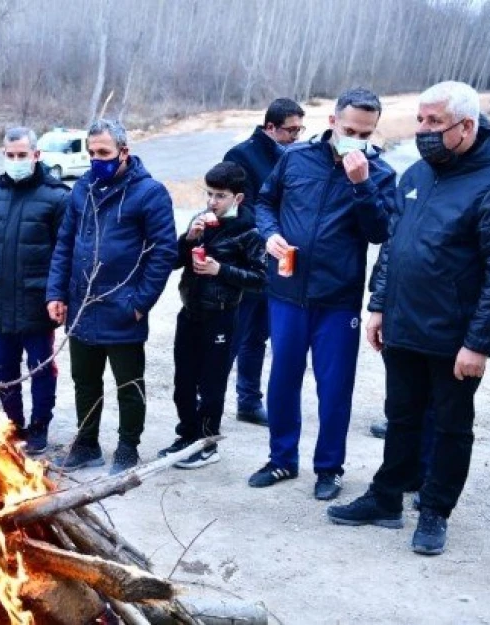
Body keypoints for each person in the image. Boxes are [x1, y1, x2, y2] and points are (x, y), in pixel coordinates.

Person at [328, 81, 490, 555]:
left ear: (467, 126)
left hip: (455, 336)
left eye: (434, 122)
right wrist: (379, 306)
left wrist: (480, 343)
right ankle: (386, 498)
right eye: (420, 120)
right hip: (404, 325)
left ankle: (435, 508)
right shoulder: (417, 173)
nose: (424, 130)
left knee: (450, 425)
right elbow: (394, 246)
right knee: (401, 416)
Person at [250, 87, 397, 500]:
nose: (356, 138)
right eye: (350, 128)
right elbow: (265, 202)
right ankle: (281, 459)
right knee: (282, 379)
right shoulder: (294, 159)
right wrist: (270, 234)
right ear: (332, 122)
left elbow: (379, 232)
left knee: (334, 388)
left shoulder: (380, 173)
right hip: (286, 291)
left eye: (365, 133)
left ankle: (329, 468)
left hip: (337, 298)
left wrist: (362, 185)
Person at [46, 118, 178, 475]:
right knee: (85, 381)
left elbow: (164, 252)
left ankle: (127, 448)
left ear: (124, 152)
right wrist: (56, 292)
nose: (96, 159)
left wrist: (139, 303)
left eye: (103, 152)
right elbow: (65, 243)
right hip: (82, 305)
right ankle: (87, 443)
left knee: (128, 384)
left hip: (123, 306)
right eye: (91, 153)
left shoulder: (149, 193)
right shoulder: (83, 188)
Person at [157, 162, 266, 468]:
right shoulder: (200, 220)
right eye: (209, 194)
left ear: (237, 198)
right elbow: (175, 262)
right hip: (190, 310)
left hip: (221, 315)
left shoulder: (249, 230)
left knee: (211, 382)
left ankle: (207, 441)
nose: (212, 202)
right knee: (183, 380)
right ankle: (187, 435)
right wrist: (189, 239)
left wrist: (222, 270)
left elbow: (261, 278)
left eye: (220, 196)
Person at [0, 127, 69, 456]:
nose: (16, 161)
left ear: (36, 155)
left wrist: (58, 295)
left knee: (40, 368)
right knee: (4, 367)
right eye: (10, 156)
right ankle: (13, 425)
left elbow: (63, 253)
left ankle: (39, 427)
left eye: (22, 155)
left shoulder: (57, 197)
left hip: (37, 300)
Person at [222, 98, 306, 427]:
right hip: (246, 258)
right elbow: (230, 208)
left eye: (300, 129)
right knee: (233, 332)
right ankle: (208, 397)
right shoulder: (241, 156)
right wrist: (260, 234)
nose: (296, 136)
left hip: (280, 259)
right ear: (270, 127)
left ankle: (248, 400)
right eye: (290, 130)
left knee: (258, 334)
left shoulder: (297, 156)